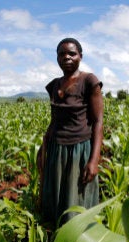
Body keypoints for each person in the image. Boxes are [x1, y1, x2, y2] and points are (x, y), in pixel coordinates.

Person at [37, 38, 104, 229]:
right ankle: (54, 241)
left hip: (79, 150)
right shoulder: (54, 85)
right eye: (61, 53)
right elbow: (54, 121)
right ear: (57, 57)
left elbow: (98, 122)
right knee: (56, 199)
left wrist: (93, 160)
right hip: (56, 149)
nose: (66, 57)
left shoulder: (89, 81)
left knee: (75, 203)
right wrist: (43, 149)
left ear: (80, 56)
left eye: (71, 53)